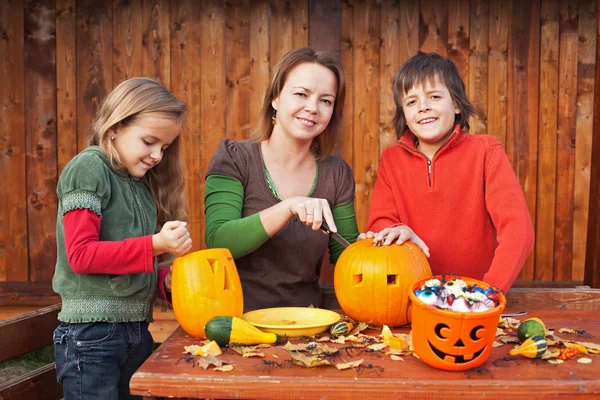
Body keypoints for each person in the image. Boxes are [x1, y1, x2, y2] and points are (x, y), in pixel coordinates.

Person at [52, 77, 192, 400]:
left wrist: (164, 282)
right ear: (115, 126)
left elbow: (128, 264)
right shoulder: (88, 169)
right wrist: (156, 244)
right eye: (149, 141)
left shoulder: (140, 187)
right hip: (91, 336)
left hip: (134, 332)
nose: (157, 155)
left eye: (165, 147)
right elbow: (82, 256)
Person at [361, 52, 534, 293]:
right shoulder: (392, 160)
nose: (423, 107)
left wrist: (489, 292)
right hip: (411, 299)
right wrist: (395, 231)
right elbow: (381, 223)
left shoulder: (485, 151)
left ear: (455, 105)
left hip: (477, 297)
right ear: (405, 115)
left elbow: (518, 229)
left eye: (434, 96)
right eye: (411, 102)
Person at [204, 47, 359, 309]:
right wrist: (288, 207)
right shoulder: (235, 158)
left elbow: (348, 256)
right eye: (301, 94)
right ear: (275, 98)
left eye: (326, 100)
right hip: (237, 325)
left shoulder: (337, 173)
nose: (312, 108)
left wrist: (378, 248)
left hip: (308, 326)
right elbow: (220, 240)